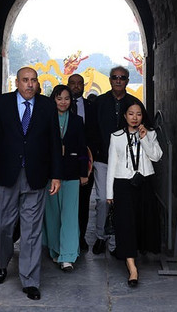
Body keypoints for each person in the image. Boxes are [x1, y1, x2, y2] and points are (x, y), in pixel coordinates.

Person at [0, 67, 62, 300]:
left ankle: (30, 280)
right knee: (1, 225)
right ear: (16, 82)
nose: (29, 85)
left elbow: (55, 142)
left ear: (37, 83)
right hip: (4, 175)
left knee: (32, 231)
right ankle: (2, 262)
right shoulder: (1, 104)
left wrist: (56, 175)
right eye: (25, 80)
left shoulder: (46, 106)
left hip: (35, 176)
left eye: (33, 81)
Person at [106, 99, 163, 287]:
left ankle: (138, 251)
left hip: (144, 182)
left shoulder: (151, 134)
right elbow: (112, 165)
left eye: (138, 114)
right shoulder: (116, 136)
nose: (134, 117)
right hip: (123, 184)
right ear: (125, 115)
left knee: (142, 221)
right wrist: (109, 193)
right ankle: (132, 268)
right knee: (126, 225)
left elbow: (156, 156)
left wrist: (145, 138)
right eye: (131, 113)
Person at [89, 66, 139, 255]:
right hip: (103, 159)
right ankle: (101, 236)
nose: (119, 80)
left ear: (127, 80)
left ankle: (119, 240)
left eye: (122, 77)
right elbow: (91, 129)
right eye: (115, 77)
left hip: (126, 163)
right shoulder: (100, 102)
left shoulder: (134, 102)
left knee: (122, 201)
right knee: (103, 200)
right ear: (110, 80)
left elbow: (143, 127)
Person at [43, 84, 89, 272]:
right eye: (59, 98)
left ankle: (68, 255)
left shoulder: (77, 121)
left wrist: (83, 173)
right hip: (49, 173)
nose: (63, 102)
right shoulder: (45, 119)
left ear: (71, 101)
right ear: (53, 99)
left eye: (67, 98)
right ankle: (55, 250)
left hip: (71, 173)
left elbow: (82, 148)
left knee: (70, 214)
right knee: (52, 214)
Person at [67, 72, 96, 252]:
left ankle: (81, 237)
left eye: (79, 83)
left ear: (84, 86)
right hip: (65, 163)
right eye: (73, 83)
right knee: (66, 203)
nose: (76, 86)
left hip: (86, 161)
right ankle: (66, 238)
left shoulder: (92, 107)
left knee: (83, 202)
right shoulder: (60, 106)